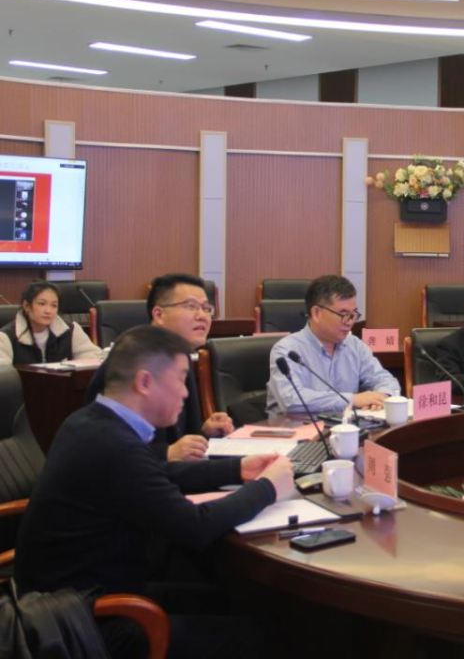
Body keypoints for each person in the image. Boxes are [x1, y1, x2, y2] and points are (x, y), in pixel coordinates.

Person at [15, 325, 293, 659]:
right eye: (180, 379)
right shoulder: (114, 445)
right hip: (79, 620)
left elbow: (157, 472)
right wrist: (268, 488)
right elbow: (195, 526)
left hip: (75, 591)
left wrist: (238, 468)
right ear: (145, 382)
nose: (186, 393)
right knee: (255, 638)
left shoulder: (89, 421)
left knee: (226, 599)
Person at [85, 273, 235, 462]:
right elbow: (106, 447)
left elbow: (181, 439)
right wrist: (165, 452)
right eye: (191, 306)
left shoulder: (181, 355)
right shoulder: (134, 358)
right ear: (158, 314)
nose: (202, 316)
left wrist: (204, 433)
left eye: (206, 308)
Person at [266, 274, 399, 415]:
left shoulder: (355, 345)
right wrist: (352, 399)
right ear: (316, 313)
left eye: (353, 314)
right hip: (295, 426)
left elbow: (385, 380)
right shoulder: (287, 351)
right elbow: (292, 400)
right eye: (343, 314)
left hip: (346, 425)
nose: (349, 322)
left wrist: (381, 397)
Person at [0, 280, 104, 365]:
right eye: (42, 304)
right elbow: (4, 376)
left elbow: (95, 358)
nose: (48, 311)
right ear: (26, 306)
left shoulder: (71, 331)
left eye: (54, 305)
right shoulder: (5, 337)